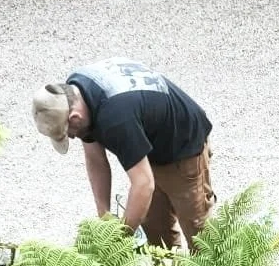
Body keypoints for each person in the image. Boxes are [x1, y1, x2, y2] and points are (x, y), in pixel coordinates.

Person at [32, 61, 214, 250]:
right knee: (156, 231)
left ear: (75, 118)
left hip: (183, 147)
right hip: (148, 145)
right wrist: (105, 218)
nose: (72, 137)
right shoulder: (76, 90)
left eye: (69, 133)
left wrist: (119, 242)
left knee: (199, 236)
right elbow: (95, 159)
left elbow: (143, 184)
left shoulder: (116, 120)